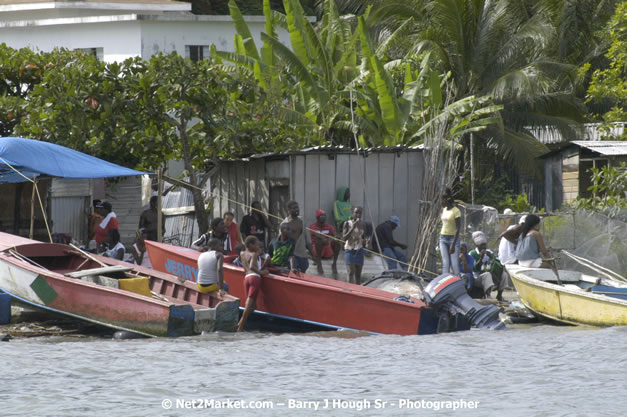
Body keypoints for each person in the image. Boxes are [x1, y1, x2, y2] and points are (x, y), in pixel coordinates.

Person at [237, 236, 269, 332]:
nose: (258, 246)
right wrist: (262, 272)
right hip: (255, 278)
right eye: (256, 244)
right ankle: (240, 326)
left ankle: (239, 324)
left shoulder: (242, 253)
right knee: (249, 303)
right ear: (250, 245)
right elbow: (252, 266)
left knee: (253, 305)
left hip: (246, 278)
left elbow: (243, 264)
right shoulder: (254, 254)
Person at [469, 231, 507, 301]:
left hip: (492, 275)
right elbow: (474, 269)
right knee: (487, 275)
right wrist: (480, 258)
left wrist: (491, 257)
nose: (483, 247)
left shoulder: (489, 252)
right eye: (481, 245)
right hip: (477, 278)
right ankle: (488, 295)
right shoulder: (472, 253)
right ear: (477, 245)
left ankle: (499, 295)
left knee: (504, 274)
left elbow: (498, 263)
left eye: (484, 245)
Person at [280, 201, 314, 273]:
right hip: (291, 256)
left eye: (297, 207)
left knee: (302, 274)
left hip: (302, 255)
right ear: (289, 210)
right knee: (294, 274)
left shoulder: (302, 221)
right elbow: (281, 242)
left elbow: (308, 241)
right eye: (294, 208)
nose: (297, 210)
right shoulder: (285, 224)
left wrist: (314, 256)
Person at [309, 209, 340, 277]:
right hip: (317, 250)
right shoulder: (313, 226)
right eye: (321, 216)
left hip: (327, 249)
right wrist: (323, 239)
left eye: (325, 216)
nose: (324, 217)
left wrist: (336, 237)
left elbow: (334, 233)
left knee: (337, 242)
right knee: (318, 241)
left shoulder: (329, 227)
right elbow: (316, 234)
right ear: (317, 217)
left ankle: (334, 264)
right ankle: (319, 263)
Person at [343, 206, 368, 284]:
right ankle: (349, 291)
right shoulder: (347, 223)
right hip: (349, 249)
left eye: (360, 213)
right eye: (356, 212)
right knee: (350, 273)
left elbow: (363, 238)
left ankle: (357, 291)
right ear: (352, 213)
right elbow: (344, 238)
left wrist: (366, 242)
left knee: (358, 275)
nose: (358, 215)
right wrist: (353, 227)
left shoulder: (363, 225)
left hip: (359, 250)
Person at [439, 192, 461, 276]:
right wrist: (439, 240)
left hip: (453, 239)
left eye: (442, 200)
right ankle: (445, 283)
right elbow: (444, 225)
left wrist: (453, 244)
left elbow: (458, 228)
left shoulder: (456, 211)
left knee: (454, 264)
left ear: (446, 200)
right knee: (445, 264)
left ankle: (458, 285)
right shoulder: (444, 209)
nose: (441, 202)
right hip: (443, 238)